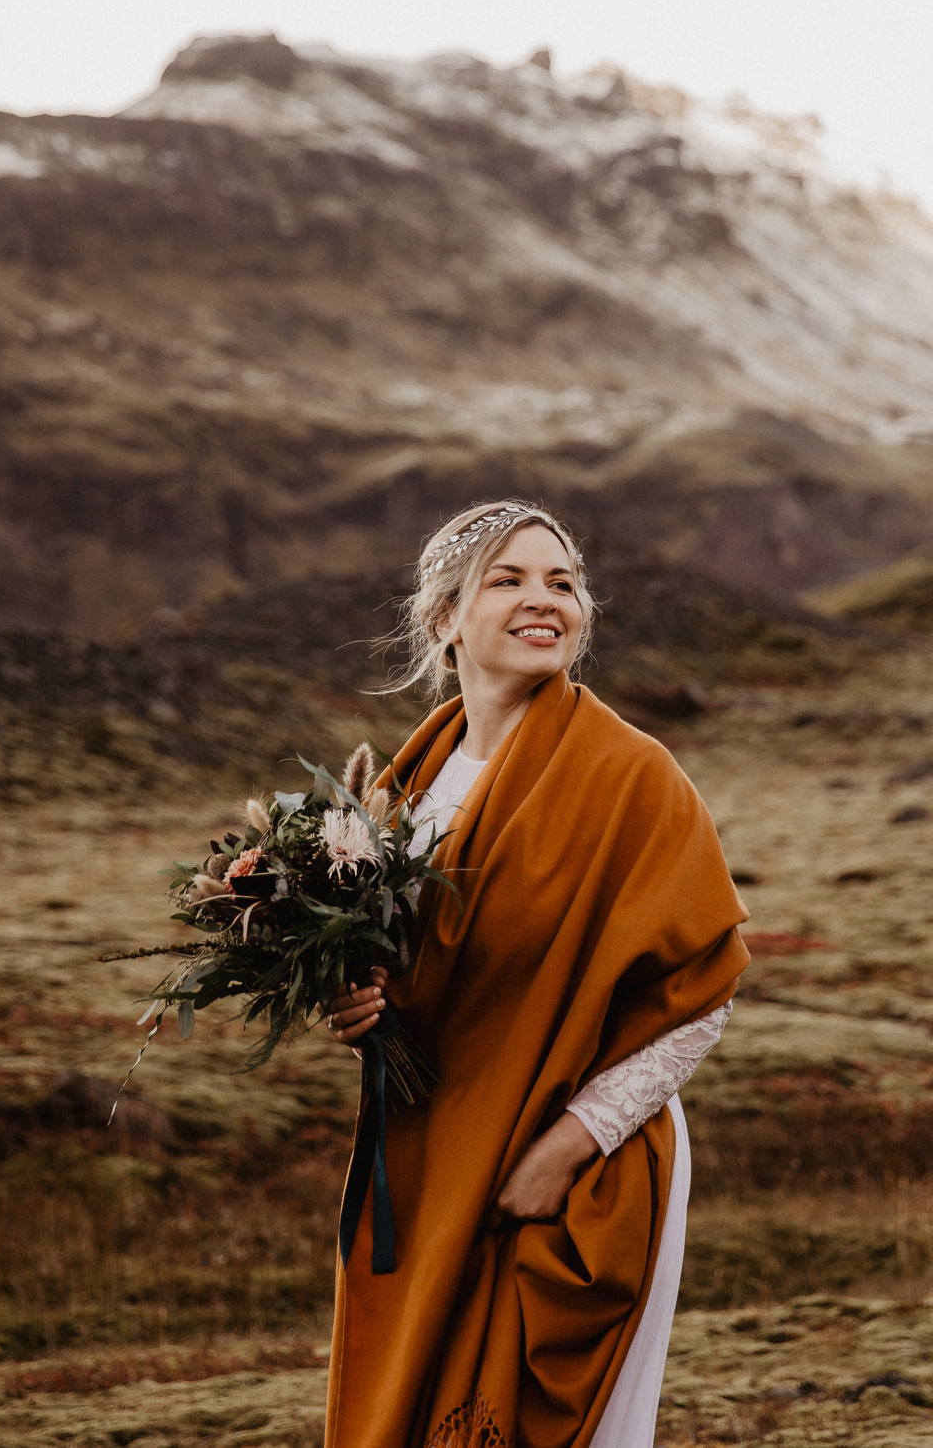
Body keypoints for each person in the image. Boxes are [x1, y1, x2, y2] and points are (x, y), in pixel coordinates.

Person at [320, 500, 749, 1448]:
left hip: (574, 1165)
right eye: (507, 580)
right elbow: (410, 977)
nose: (543, 599)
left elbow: (700, 997)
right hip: (434, 1156)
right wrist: (356, 1004)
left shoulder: (631, 774)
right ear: (445, 619)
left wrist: (563, 1150)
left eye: (561, 582)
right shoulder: (408, 780)